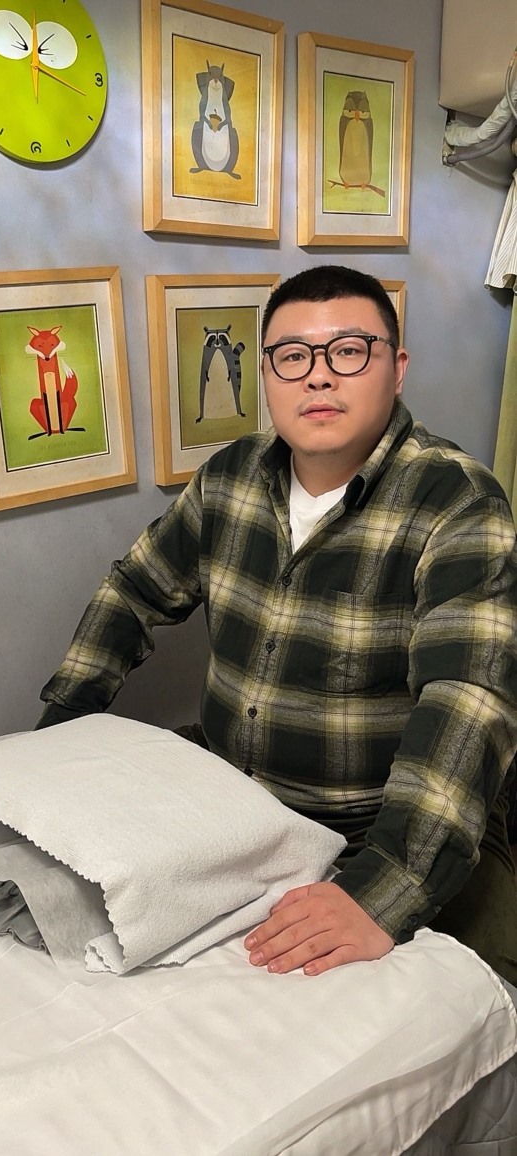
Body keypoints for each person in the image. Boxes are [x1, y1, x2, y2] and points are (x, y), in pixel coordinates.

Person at [37, 265, 517, 984]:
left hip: (374, 824)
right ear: (266, 374)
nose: (318, 376)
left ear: (397, 369)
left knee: (483, 990)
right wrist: (60, 727)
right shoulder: (229, 477)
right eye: (293, 356)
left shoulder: (459, 503)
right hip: (230, 796)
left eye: (348, 351)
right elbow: (134, 590)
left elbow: (470, 701)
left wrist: (382, 888)